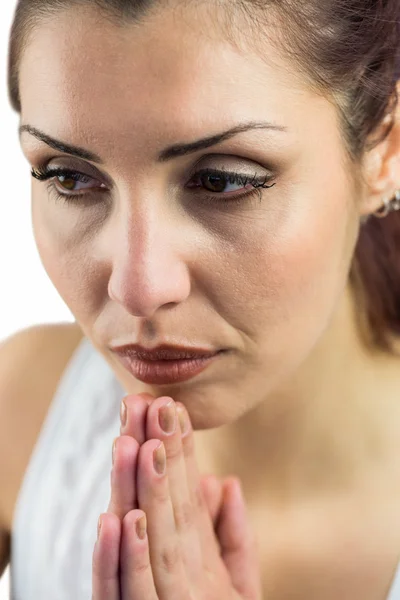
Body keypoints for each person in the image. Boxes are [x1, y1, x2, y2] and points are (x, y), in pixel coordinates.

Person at [1, 0, 400, 597]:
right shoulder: (22, 409)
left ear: (385, 150)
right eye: (69, 177)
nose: (136, 290)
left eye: (221, 180)